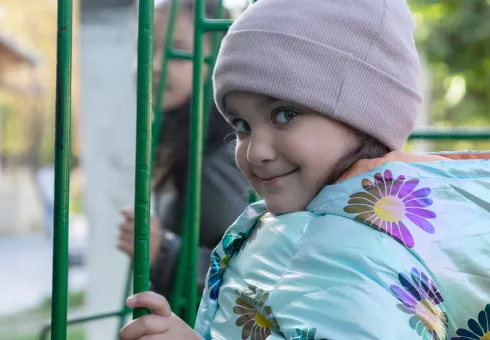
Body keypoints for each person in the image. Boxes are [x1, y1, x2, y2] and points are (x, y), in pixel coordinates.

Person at [119, 0, 490, 339]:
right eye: (242, 125)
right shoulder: (332, 227)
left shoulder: (355, 253)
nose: (255, 151)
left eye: (285, 114)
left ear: (365, 115)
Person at [117, 0, 249, 301]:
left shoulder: (228, 151)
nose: (156, 64)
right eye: (148, 48)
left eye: (177, 50)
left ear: (217, 57)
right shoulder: (178, 137)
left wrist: (161, 252)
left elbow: (252, 269)